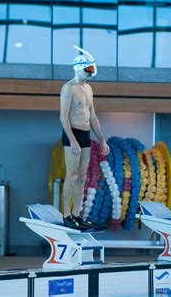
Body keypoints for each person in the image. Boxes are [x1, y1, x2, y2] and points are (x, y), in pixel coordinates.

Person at [59, 46, 110, 230]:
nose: (89, 74)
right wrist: (72, 139)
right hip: (71, 132)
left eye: (91, 71)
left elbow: (93, 116)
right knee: (71, 175)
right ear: (78, 68)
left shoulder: (89, 89)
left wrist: (102, 139)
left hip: (85, 134)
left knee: (82, 177)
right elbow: (63, 116)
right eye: (87, 71)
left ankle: (76, 214)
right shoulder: (68, 88)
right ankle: (66, 215)